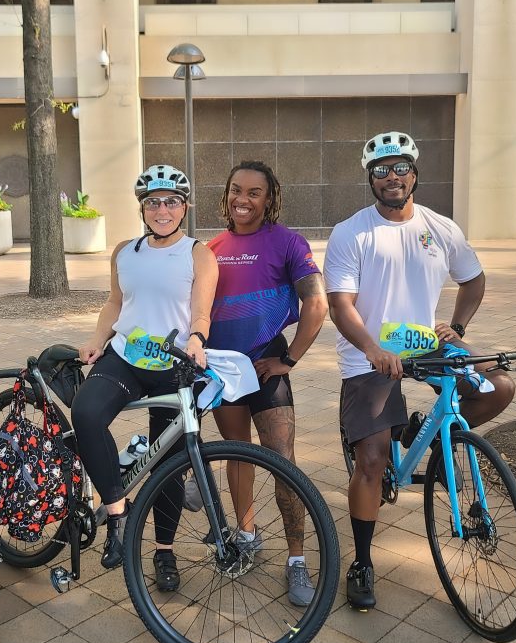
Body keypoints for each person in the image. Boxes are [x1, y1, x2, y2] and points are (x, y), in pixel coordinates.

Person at [323, 130, 516, 611]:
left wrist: (456, 326)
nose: (392, 178)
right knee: (371, 461)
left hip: (426, 346)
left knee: (498, 386)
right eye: (381, 171)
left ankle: (424, 433)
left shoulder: (441, 227)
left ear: (415, 173)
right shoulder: (352, 232)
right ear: (371, 178)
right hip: (372, 356)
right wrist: (369, 347)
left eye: (400, 168)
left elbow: (473, 280)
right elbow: (341, 306)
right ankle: (362, 563)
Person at [71, 164, 217, 592]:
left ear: (184, 207)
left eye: (171, 201)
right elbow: (115, 302)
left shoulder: (197, 253)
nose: (162, 209)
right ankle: (118, 512)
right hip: (126, 357)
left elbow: (201, 308)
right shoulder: (124, 251)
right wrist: (97, 341)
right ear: (142, 208)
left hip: (174, 362)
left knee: (171, 463)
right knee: (87, 413)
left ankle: (164, 552)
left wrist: (196, 338)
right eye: (153, 202)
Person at [205, 161, 327, 606]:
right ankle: (247, 535)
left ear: (269, 198)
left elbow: (317, 304)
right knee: (237, 455)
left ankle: (297, 560)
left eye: (254, 192)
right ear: (226, 193)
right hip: (223, 370)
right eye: (236, 189)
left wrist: (288, 360)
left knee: (283, 461)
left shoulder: (288, 242)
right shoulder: (210, 248)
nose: (243, 199)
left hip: (266, 365)